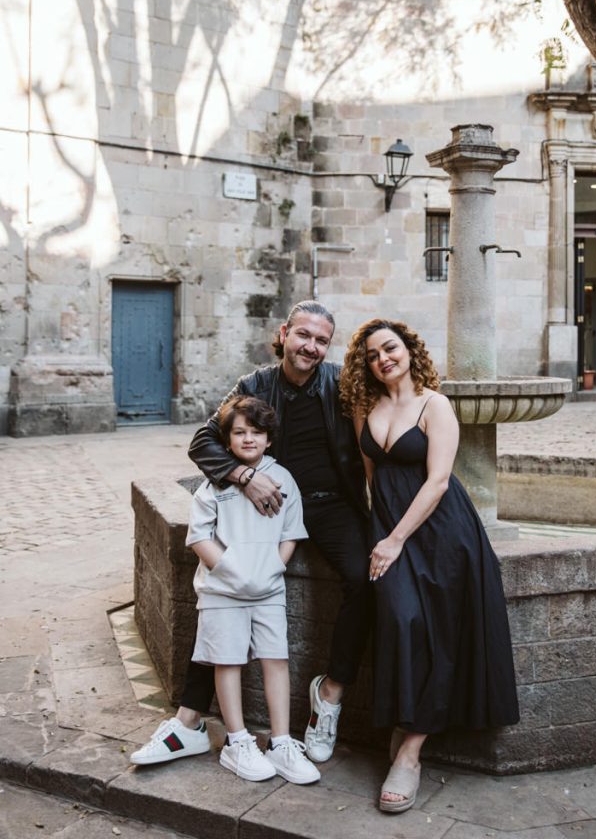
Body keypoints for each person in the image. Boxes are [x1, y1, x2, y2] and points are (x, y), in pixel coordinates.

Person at [130, 301, 371, 767]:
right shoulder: (255, 385)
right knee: (221, 589)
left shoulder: (340, 383)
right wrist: (244, 476)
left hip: (328, 506)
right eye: (304, 335)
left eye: (322, 340)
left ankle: (330, 697)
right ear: (284, 333)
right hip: (263, 506)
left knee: (364, 579)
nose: (311, 347)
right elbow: (203, 440)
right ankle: (189, 721)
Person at [339, 318, 519, 814]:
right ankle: (404, 720)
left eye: (390, 348)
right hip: (390, 528)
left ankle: (411, 752)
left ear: (409, 350)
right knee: (399, 617)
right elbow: (372, 478)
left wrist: (395, 540)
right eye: (373, 354)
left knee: (435, 626)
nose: (383, 359)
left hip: (441, 533)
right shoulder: (363, 407)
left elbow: (438, 481)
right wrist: (378, 534)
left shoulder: (434, 405)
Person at [185, 395, 319, 784]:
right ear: (226, 441)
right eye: (239, 433)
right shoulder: (213, 484)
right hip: (222, 593)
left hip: (268, 591)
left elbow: (291, 532)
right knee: (227, 661)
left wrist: (273, 568)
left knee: (276, 659)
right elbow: (198, 537)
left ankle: (280, 742)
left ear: (269, 439)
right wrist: (231, 571)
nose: (247, 440)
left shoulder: (283, 479)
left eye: (256, 433)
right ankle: (237, 742)